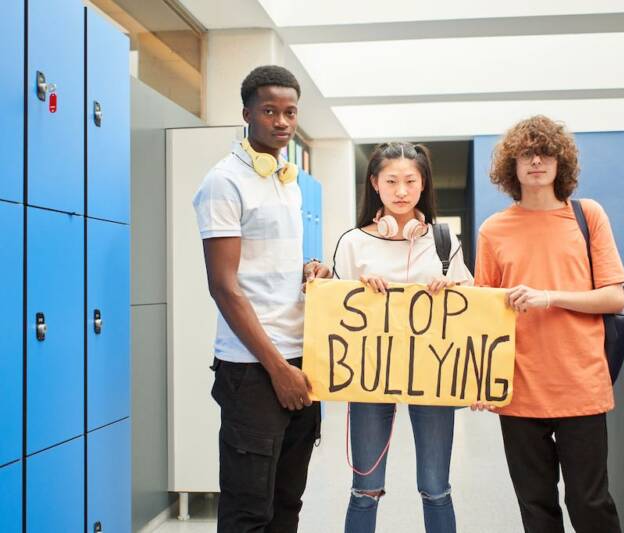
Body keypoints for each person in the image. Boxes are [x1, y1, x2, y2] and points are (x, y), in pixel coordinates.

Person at [192, 65, 330, 533]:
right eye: (269, 111)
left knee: (287, 503)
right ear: (247, 113)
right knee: (248, 510)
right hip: (254, 371)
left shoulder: (285, 179)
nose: (282, 122)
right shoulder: (224, 182)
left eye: (290, 112)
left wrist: (307, 271)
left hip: (299, 359)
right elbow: (224, 287)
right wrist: (278, 370)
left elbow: (267, 266)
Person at [473, 115, 624, 533]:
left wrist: (548, 297)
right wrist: (480, 382)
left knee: (591, 502)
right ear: (513, 166)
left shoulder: (587, 215)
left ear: (561, 163)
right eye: (526, 153)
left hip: (580, 384)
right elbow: (482, 313)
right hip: (518, 387)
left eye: (545, 153)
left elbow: (614, 297)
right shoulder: (493, 230)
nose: (536, 161)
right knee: (536, 508)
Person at [332, 142, 473, 533]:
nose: (401, 191)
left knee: (435, 487)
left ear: (423, 184)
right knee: (366, 488)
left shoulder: (444, 242)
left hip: (432, 376)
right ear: (374, 184)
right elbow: (335, 314)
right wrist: (356, 291)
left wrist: (452, 286)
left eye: (410, 181)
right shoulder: (353, 243)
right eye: (391, 181)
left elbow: (470, 313)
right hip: (370, 377)